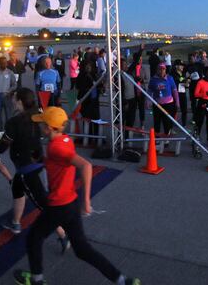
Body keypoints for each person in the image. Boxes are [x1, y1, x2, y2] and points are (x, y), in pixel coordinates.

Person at [13, 107, 140, 285]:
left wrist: (86, 200)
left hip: (58, 205)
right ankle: (121, 280)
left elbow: (85, 166)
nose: (40, 126)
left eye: (42, 123)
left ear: (49, 127)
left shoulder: (56, 147)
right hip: (69, 203)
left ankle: (37, 280)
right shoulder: (65, 140)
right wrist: (44, 162)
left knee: (33, 238)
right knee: (82, 249)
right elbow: (62, 163)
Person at [0, 88, 70, 252]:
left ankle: (63, 234)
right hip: (37, 162)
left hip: (27, 169)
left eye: (15, 99)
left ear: (21, 102)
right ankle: (15, 222)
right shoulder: (38, 114)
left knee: (43, 204)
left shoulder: (14, 122)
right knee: (17, 189)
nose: (13, 101)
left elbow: (1, 148)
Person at [147, 63, 179, 136]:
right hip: (157, 104)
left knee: (167, 122)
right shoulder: (153, 79)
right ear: (157, 70)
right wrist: (148, 101)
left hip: (168, 104)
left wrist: (177, 102)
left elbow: (174, 90)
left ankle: (166, 139)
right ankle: (157, 139)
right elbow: (149, 91)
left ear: (165, 70)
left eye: (163, 69)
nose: (161, 71)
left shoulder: (170, 78)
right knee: (157, 123)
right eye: (160, 69)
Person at [76, 61, 102, 137]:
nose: (88, 68)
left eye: (89, 66)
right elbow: (79, 87)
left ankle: (97, 137)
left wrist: (100, 87)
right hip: (86, 102)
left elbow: (99, 85)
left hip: (94, 101)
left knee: (96, 120)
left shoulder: (94, 75)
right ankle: (88, 137)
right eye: (86, 66)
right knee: (87, 121)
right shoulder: (81, 76)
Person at [0, 56, 17, 128]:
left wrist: (9, 91)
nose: (4, 64)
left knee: (8, 115)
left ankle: (8, 129)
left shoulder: (10, 72)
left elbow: (14, 84)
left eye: (5, 63)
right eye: (2, 63)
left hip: (7, 96)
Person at [170, 59, 189, 127]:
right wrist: (185, 82)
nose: (182, 67)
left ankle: (184, 125)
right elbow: (178, 81)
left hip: (182, 93)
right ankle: (170, 127)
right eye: (181, 66)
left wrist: (186, 84)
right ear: (176, 66)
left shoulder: (182, 73)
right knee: (173, 110)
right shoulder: (172, 74)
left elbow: (183, 81)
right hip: (175, 94)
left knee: (184, 110)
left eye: (182, 66)